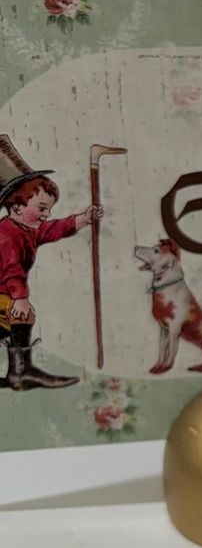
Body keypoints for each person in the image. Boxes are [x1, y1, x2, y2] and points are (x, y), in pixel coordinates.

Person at [0, 136, 100, 390]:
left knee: (17, 319)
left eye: (49, 209)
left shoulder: (27, 229)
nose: (47, 215)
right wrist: (20, 298)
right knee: (21, 314)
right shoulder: (7, 234)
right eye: (42, 208)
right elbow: (12, 270)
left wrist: (83, 218)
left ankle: (19, 372)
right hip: (4, 292)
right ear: (17, 206)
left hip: (4, 293)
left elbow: (54, 229)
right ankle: (20, 373)